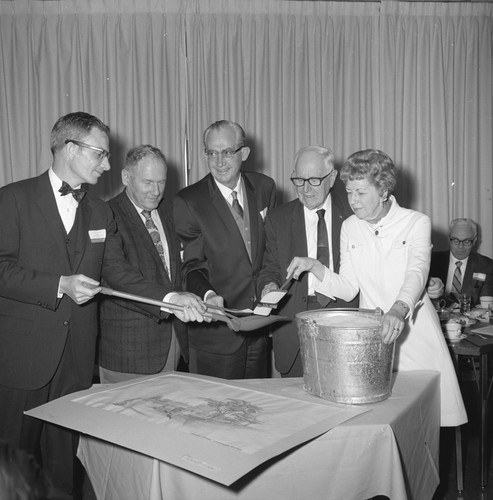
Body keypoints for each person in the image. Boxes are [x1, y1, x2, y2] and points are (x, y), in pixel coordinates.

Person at [0, 112, 208, 496]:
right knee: (13, 467)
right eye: (100, 154)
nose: (108, 164)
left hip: (76, 359)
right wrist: (58, 284)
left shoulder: (99, 211)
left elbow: (118, 272)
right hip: (23, 358)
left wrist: (170, 297)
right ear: (70, 149)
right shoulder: (13, 198)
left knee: (65, 466)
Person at [286, 149, 467, 427]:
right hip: (374, 342)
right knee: (381, 425)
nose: (353, 201)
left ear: (383, 191)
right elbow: (348, 289)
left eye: (361, 193)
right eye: (349, 192)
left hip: (415, 335)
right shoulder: (350, 227)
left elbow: (416, 273)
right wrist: (315, 266)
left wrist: (398, 308)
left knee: (425, 426)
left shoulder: (416, 222)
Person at [173, 120, 277, 379]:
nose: (219, 161)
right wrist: (208, 295)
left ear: (244, 153)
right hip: (216, 332)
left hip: (258, 327)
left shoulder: (265, 188)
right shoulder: (189, 201)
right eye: (211, 152)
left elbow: (271, 251)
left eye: (227, 152)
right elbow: (191, 265)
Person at [257, 146, 358, 377]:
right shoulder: (278, 219)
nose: (305, 188)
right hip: (294, 326)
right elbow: (269, 269)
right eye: (299, 180)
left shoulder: (353, 214)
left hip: (342, 320)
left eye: (313, 180)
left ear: (332, 178)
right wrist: (268, 286)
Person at [99, 145, 192, 383]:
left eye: (161, 182)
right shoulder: (104, 215)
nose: (156, 191)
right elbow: (117, 276)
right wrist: (171, 300)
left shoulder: (171, 210)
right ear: (126, 178)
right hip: (128, 352)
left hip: (175, 343)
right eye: (148, 182)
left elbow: (183, 267)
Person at [427, 218, 493, 307]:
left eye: (466, 241)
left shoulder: (486, 266)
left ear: (474, 241)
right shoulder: (431, 261)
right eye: (455, 240)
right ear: (448, 240)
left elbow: (486, 304)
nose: (460, 246)